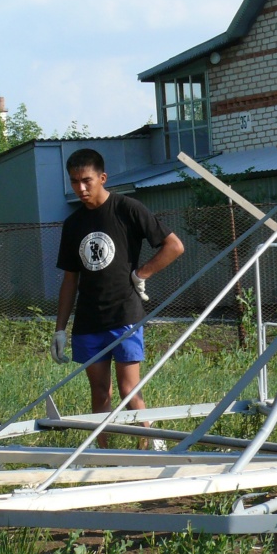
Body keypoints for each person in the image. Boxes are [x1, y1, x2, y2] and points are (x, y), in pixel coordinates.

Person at [51, 148, 184, 448]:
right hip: (88, 320)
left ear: (102, 177)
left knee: (129, 390)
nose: (81, 189)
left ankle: (152, 447)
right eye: (74, 182)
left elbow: (174, 246)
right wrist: (60, 329)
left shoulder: (127, 208)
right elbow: (70, 279)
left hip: (124, 314)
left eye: (86, 180)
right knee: (100, 393)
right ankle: (104, 457)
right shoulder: (73, 225)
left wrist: (142, 274)